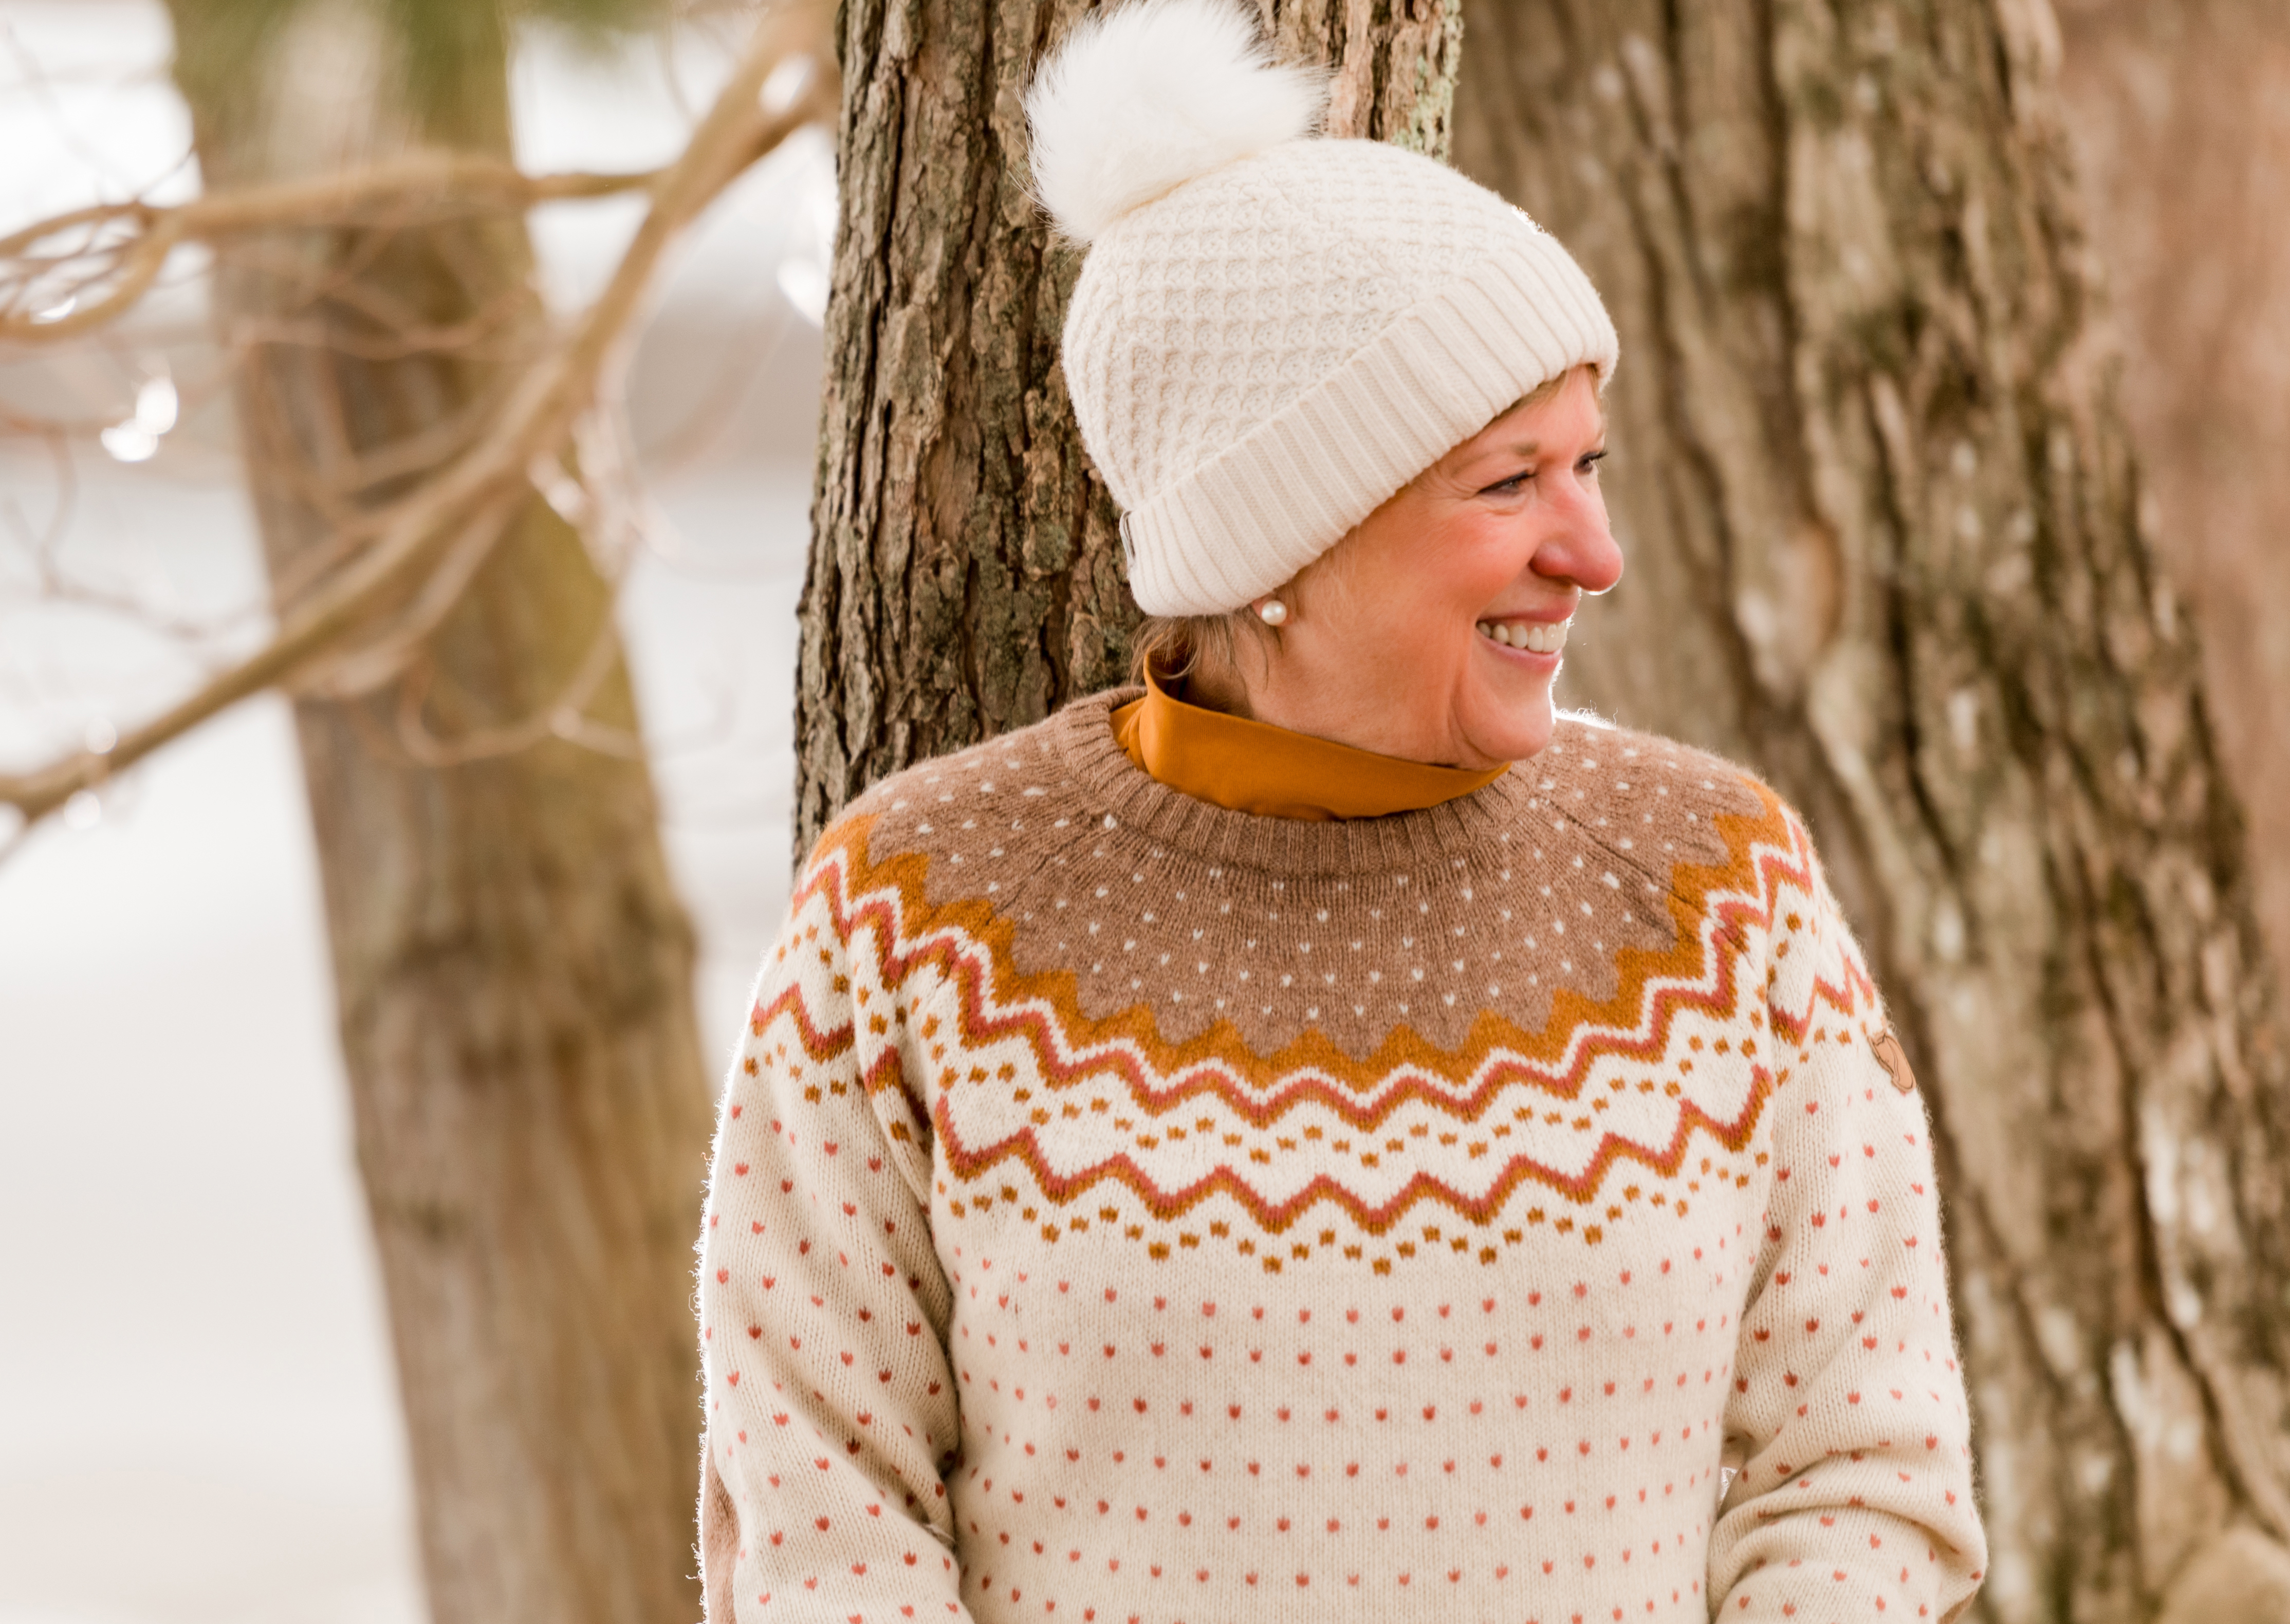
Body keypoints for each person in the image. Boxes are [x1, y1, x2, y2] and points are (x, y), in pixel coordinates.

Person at [694, 2, 1988, 1618]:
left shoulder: (1718, 890)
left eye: (1589, 465)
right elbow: (819, 1512)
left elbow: (1864, 1464)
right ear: (1280, 547)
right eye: (1508, 483)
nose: (1591, 553)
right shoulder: (915, 917)